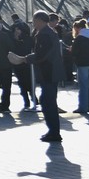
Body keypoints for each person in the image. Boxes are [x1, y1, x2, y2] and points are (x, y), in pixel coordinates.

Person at [28, 12, 65, 142]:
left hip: (48, 72)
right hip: (51, 72)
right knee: (47, 100)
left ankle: (54, 132)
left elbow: (41, 54)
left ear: (40, 20)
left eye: (34, 20)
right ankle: (53, 131)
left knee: (48, 102)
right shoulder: (50, 32)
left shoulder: (44, 34)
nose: (33, 23)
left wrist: (25, 59)